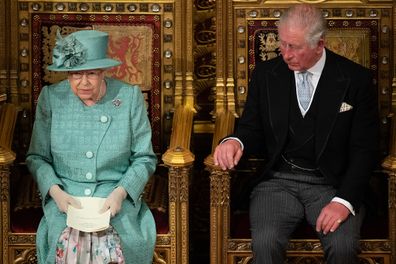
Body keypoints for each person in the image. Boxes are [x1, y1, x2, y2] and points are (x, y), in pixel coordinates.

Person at [213, 4, 379, 264]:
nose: (285, 54)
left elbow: (365, 150)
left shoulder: (355, 80)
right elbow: (251, 128)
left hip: (331, 185)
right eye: (283, 44)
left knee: (343, 246)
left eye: (295, 47)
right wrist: (235, 141)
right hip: (277, 183)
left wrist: (344, 201)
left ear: (319, 44)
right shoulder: (266, 75)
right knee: (266, 242)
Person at [26, 29, 157, 264]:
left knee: (111, 244)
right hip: (66, 196)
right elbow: (37, 157)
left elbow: (144, 158)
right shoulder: (51, 98)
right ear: (67, 74)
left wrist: (120, 193)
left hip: (113, 196)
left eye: (92, 74)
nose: (83, 82)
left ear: (104, 72)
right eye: (76, 74)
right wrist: (56, 193)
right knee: (69, 242)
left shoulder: (128, 98)